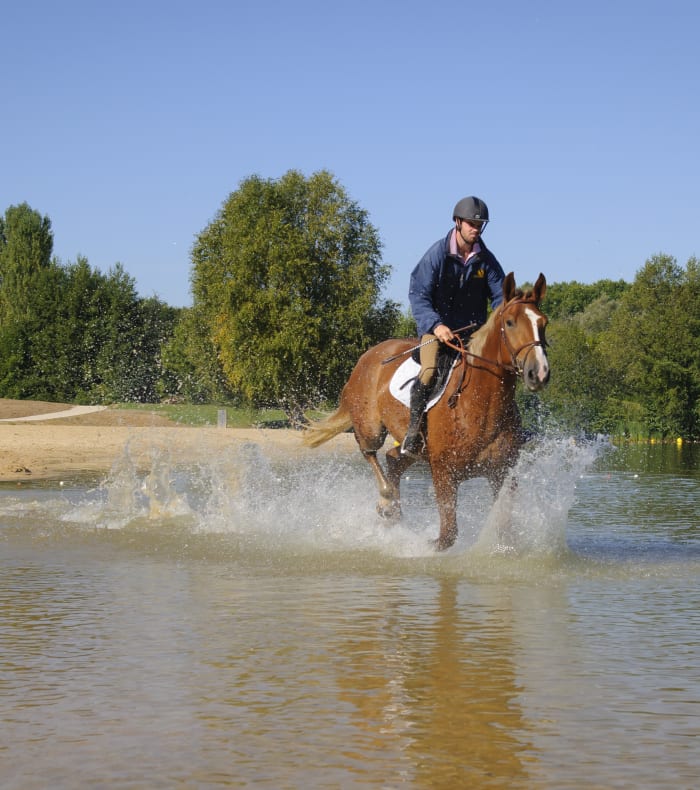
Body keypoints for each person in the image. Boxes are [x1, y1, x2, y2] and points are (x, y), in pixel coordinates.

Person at [402, 196, 506, 456]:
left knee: (502, 371)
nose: (476, 229)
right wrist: (436, 325)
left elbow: (501, 297)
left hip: (474, 334)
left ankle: (511, 430)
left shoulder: (486, 260)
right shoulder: (437, 254)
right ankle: (413, 434)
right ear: (458, 222)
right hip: (436, 331)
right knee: (428, 371)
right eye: (471, 223)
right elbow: (418, 294)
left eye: (480, 224)